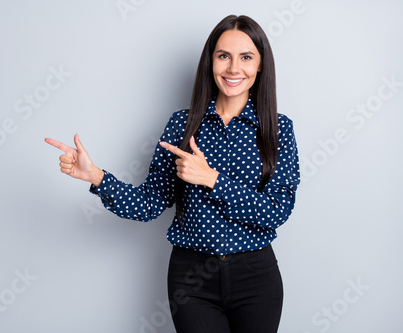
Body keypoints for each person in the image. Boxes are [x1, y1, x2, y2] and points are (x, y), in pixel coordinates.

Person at [45, 14, 300, 333]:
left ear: (260, 65)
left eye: (246, 57)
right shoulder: (182, 124)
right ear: (211, 63)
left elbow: (276, 211)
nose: (234, 68)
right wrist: (96, 176)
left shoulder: (278, 129)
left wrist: (212, 180)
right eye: (224, 56)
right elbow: (149, 204)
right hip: (192, 281)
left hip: (255, 277)